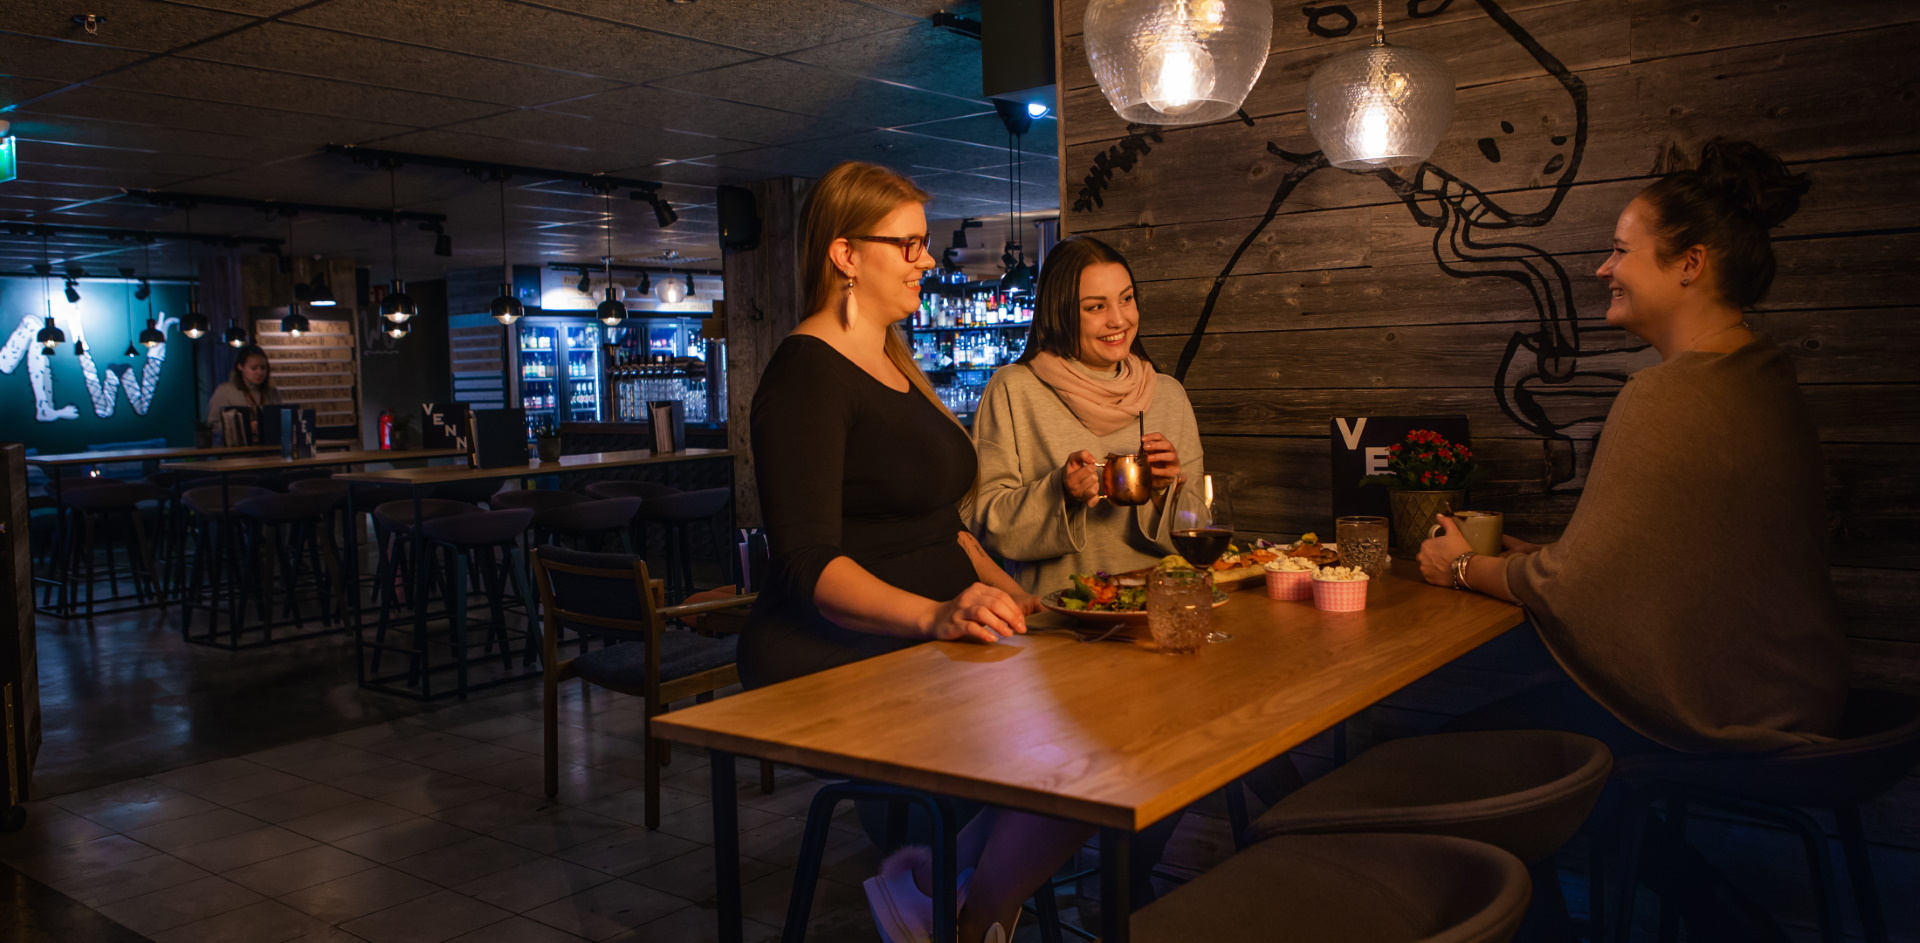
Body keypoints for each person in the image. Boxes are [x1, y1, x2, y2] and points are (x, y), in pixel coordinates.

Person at [1417, 139, 1843, 942]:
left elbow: (1580, 588)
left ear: (1690, 264)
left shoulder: (1667, 392)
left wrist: (1463, 563)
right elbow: (1671, 555)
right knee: (1589, 785)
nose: (1603, 268)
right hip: (1798, 688)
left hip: (1731, 708)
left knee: (1458, 754)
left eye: (1620, 250)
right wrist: (1539, 557)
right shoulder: (1760, 371)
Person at [740, 161, 1088, 943]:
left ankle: (942, 890)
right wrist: (936, 615)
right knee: (1074, 738)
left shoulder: (894, 362)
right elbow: (806, 561)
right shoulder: (804, 375)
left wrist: (1018, 598)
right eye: (908, 244)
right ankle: (965, 912)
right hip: (830, 651)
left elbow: (944, 528)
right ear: (845, 254)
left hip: (925, 638)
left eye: (923, 243)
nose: (926, 259)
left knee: (1104, 712)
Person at [970, 235, 1201, 593]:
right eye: (1096, 307)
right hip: (1057, 615)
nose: (1119, 319)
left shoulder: (1169, 395)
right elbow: (984, 524)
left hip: (1160, 606)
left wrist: (1162, 492)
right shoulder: (1013, 389)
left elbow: (1200, 525)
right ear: (1059, 313)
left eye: (1126, 299)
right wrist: (1060, 491)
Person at [206, 343, 280, 444]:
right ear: (240, 367)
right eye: (254, 368)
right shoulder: (225, 392)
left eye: (263, 368)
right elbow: (212, 425)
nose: (260, 372)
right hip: (237, 450)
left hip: (270, 448)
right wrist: (244, 427)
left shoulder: (272, 392)